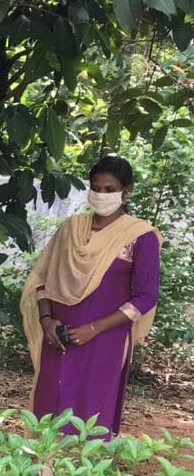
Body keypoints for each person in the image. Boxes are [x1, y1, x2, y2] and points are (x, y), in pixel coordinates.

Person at [21, 156, 161, 438]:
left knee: (92, 407)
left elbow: (146, 296)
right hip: (59, 334)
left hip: (105, 340)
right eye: (96, 188)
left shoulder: (139, 236)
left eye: (109, 189)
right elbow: (43, 280)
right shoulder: (72, 228)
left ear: (126, 190)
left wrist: (95, 329)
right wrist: (47, 320)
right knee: (50, 400)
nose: (101, 195)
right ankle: (43, 474)